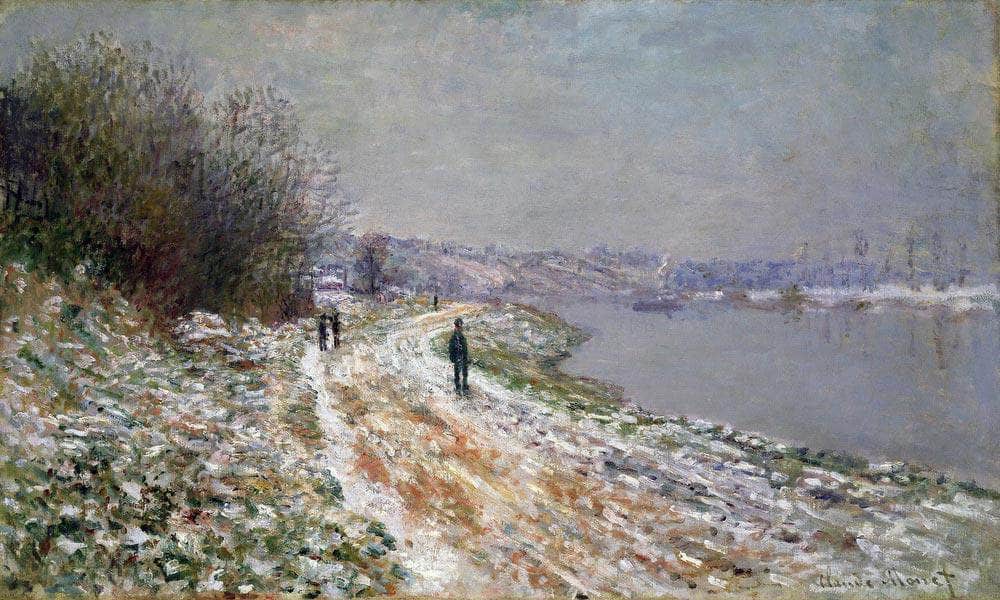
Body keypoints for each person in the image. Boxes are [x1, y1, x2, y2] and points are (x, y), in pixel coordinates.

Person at [448, 317, 469, 394]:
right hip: (457, 356)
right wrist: (452, 357)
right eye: (458, 326)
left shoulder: (462, 336)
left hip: (463, 357)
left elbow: (465, 348)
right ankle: (458, 388)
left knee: (465, 373)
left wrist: (466, 357)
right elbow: (451, 348)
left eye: (460, 326)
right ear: (455, 326)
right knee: (457, 373)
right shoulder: (454, 337)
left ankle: (465, 388)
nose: (459, 328)